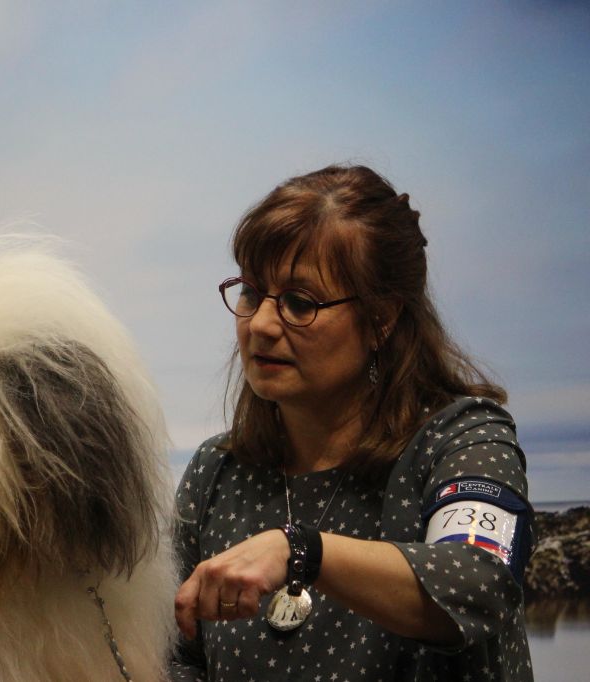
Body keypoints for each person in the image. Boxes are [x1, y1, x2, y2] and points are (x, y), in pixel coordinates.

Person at [170, 164, 535, 681]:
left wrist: (300, 551)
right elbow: (176, 657)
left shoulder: (461, 439)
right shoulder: (216, 471)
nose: (263, 325)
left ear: (382, 319)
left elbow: (478, 584)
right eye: (252, 292)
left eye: (300, 302)